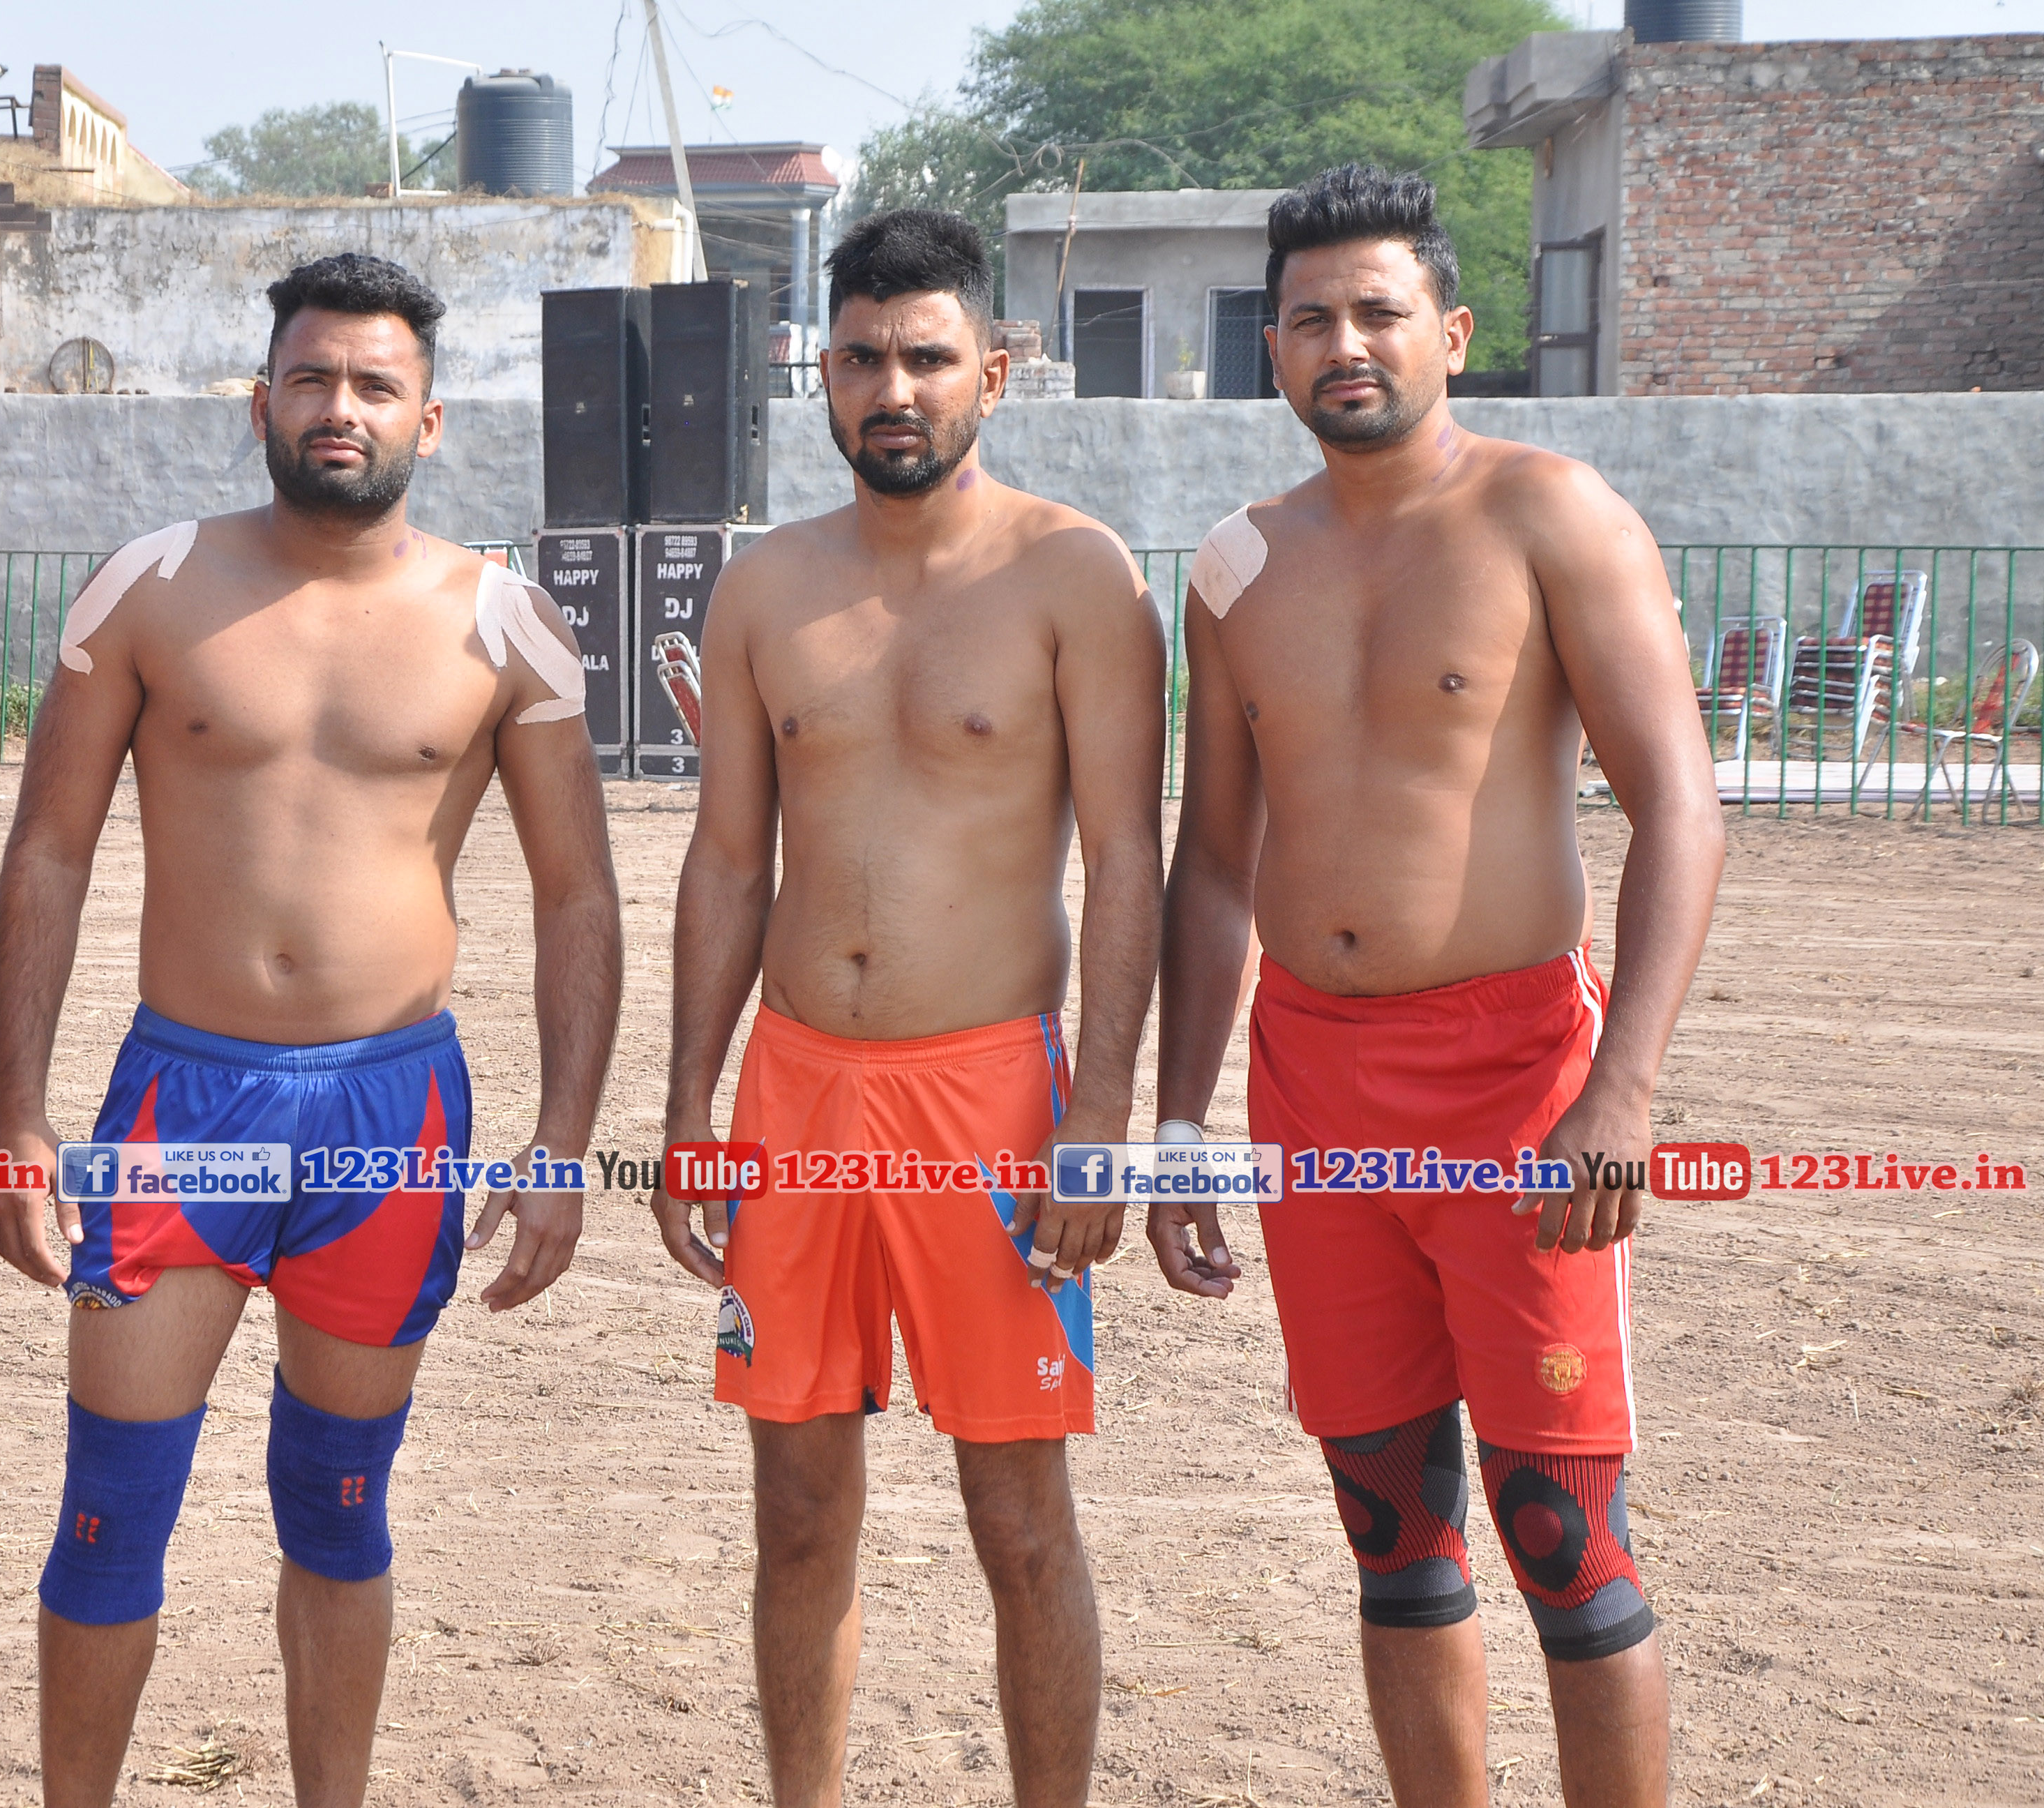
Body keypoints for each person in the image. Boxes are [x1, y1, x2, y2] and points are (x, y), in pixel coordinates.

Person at [0, 253, 624, 1808]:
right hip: (180, 1105)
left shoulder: (509, 625)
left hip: (388, 1114)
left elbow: (578, 897)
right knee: (108, 1513)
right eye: (314, 378)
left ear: (429, 417)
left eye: (375, 384)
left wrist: (560, 1144)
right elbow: (47, 852)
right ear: (261, 398)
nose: (342, 406)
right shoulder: (148, 588)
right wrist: (15, 1114)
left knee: (337, 1511)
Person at [1150, 164, 1722, 1808]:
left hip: (1514, 1078)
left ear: (1450, 333)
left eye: (1376, 312)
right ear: (1270, 346)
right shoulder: (1234, 565)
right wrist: (1179, 1126)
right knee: (1389, 1523)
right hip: (1307, 1077)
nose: (1344, 343)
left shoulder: (1550, 515)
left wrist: (1620, 1090)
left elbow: (1679, 806)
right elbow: (1211, 865)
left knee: (1558, 1529)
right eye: (1309, 318)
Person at [656, 207, 1166, 1808]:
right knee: (797, 1508)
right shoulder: (764, 587)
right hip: (795, 1089)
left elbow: (1129, 863)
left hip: (992, 1096)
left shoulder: (1074, 575)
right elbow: (726, 862)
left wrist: (1100, 1113)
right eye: (862, 356)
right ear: (818, 372)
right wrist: (687, 1107)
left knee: (1018, 1518)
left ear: (991, 373)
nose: (893, 387)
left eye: (927, 357)